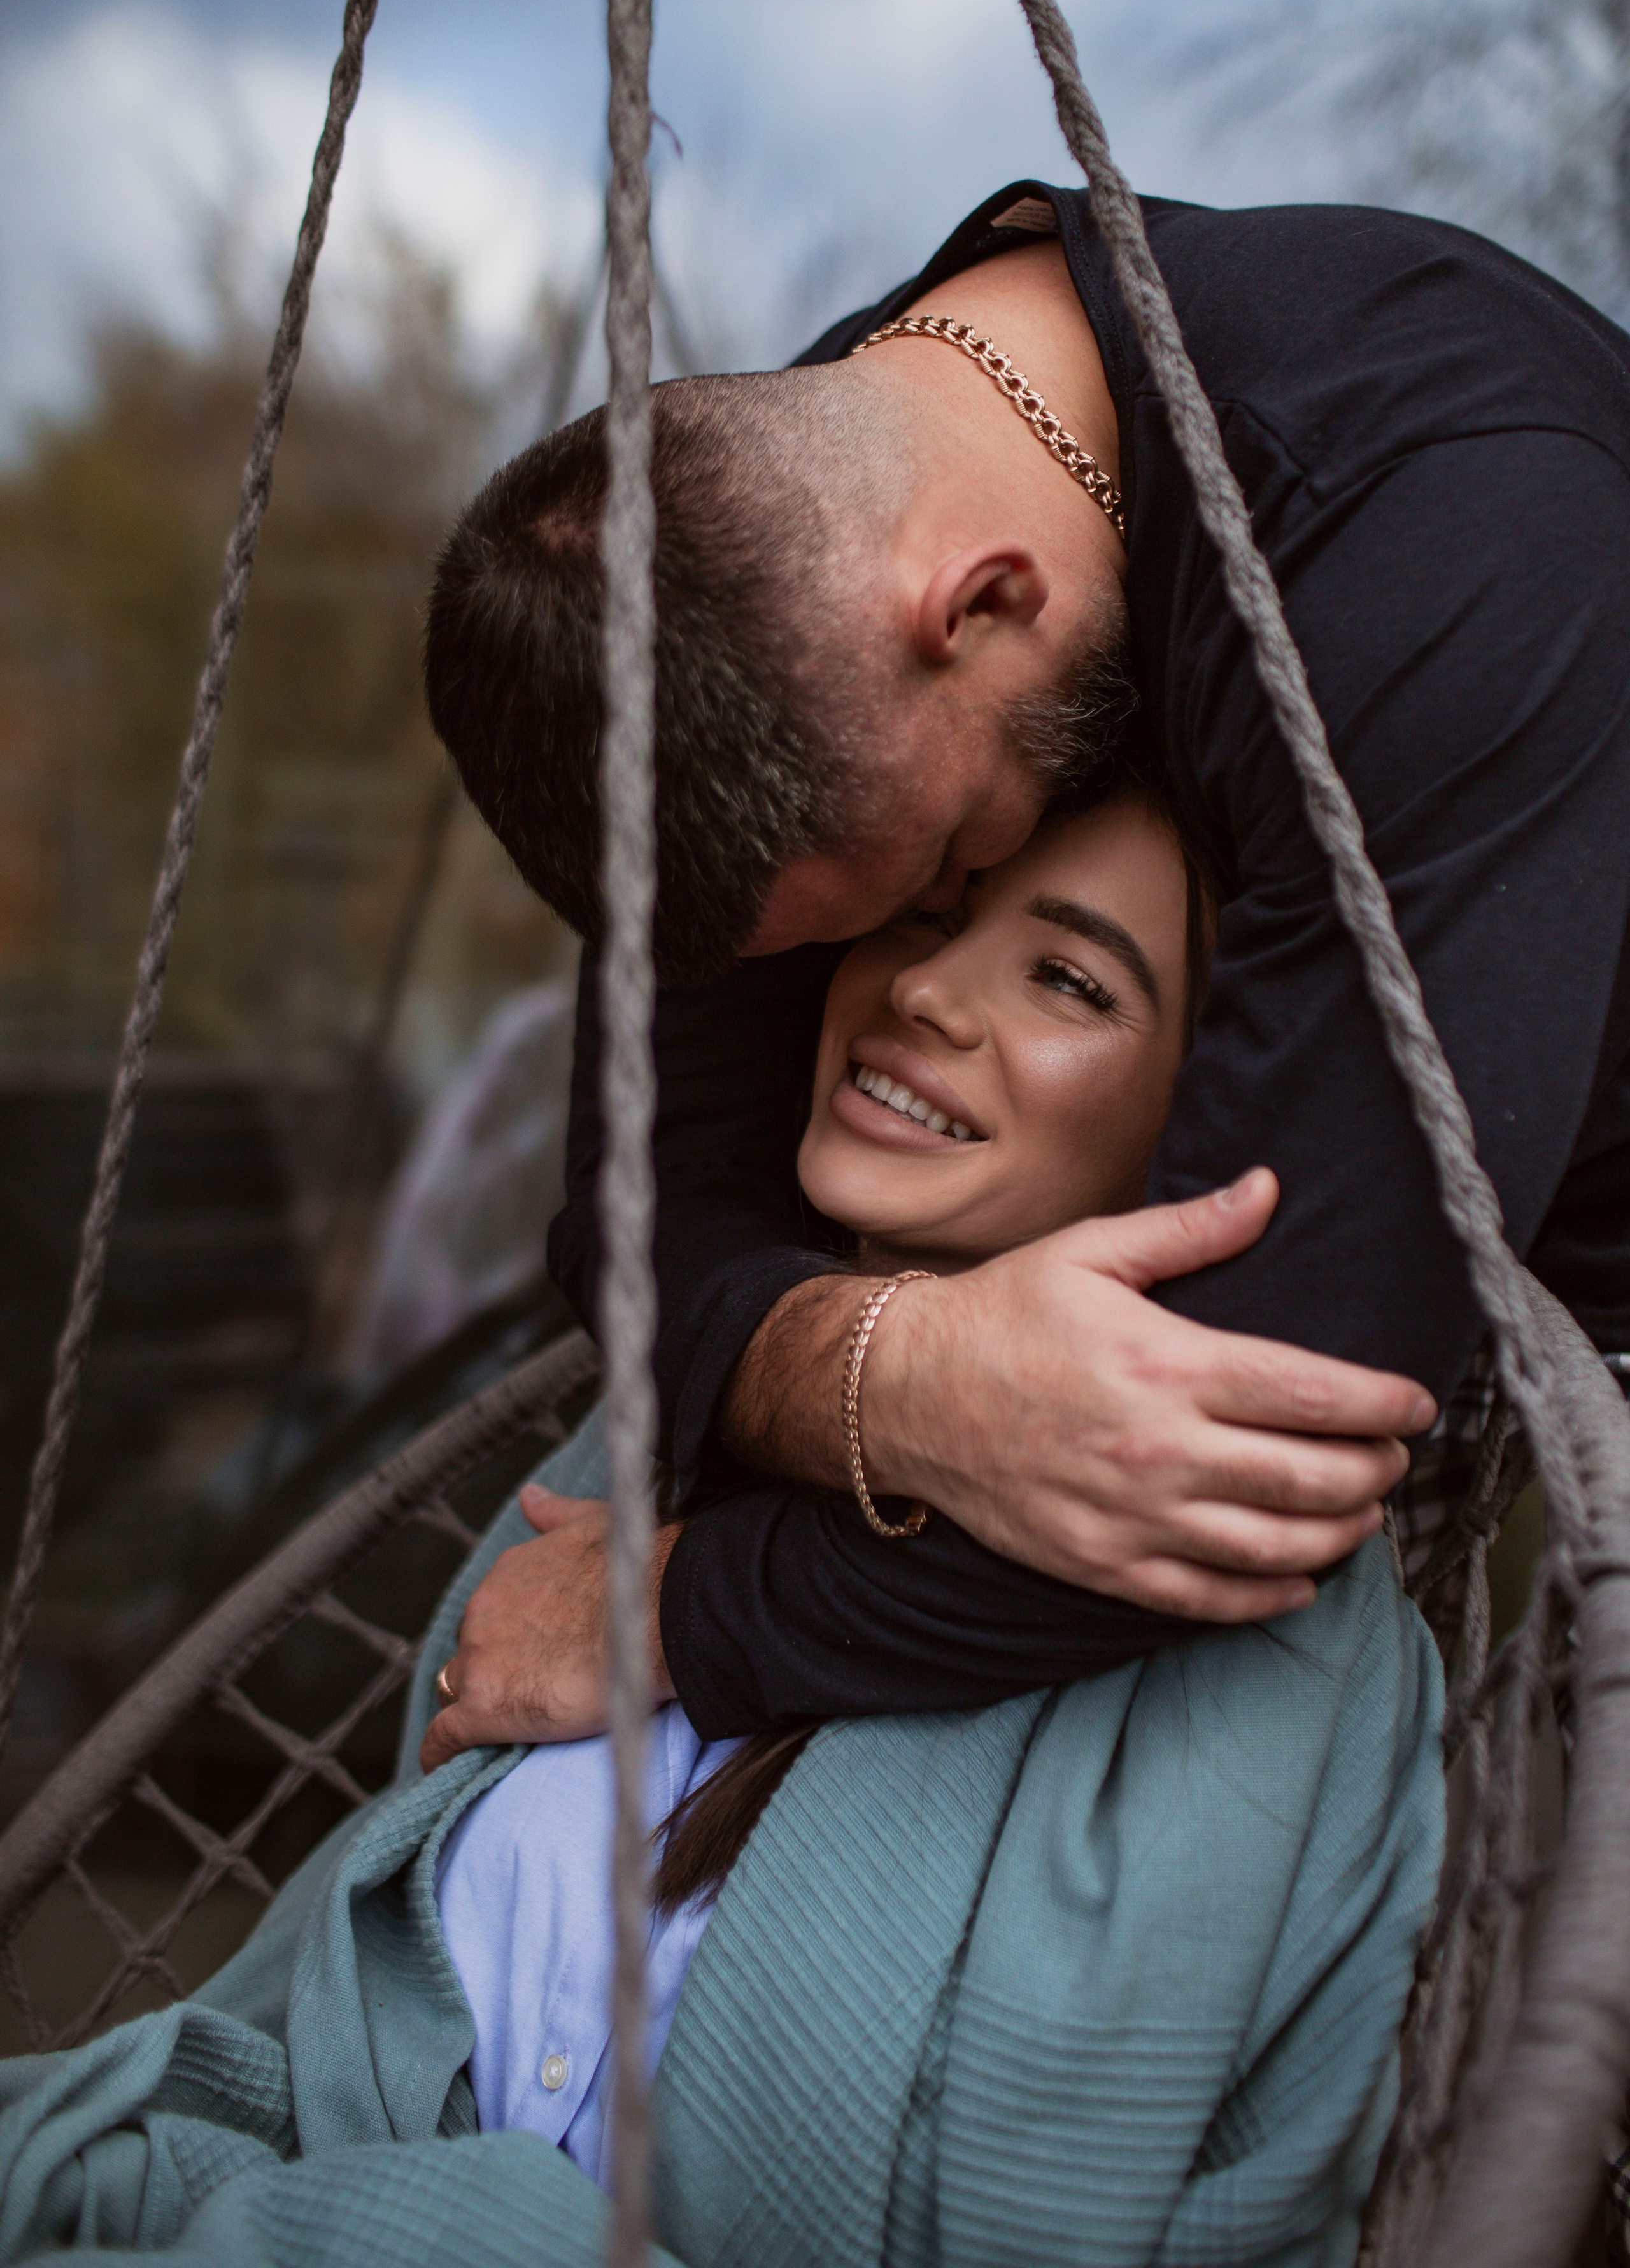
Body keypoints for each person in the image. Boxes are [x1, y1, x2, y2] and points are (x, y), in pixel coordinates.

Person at [0, 784, 1443, 2268]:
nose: (926, 988)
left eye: (1068, 978)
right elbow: (329, 2031)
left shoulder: (1272, 1642)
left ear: (1192, 1131)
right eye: (927, 917)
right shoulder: (649, 1446)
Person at [419, 176, 1630, 1755]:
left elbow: (1246, 1440)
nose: (924, 956)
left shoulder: (1449, 530)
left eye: (933, 871)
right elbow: (639, 1212)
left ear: (979, 603)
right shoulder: (768, 545)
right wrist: (897, 1377)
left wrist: (672, 1605)